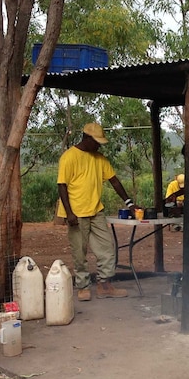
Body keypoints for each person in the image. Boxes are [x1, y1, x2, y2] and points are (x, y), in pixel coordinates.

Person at [56, 123, 132, 302]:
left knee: (106, 247)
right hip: (76, 212)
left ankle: (104, 284)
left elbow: (114, 181)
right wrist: (69, 213)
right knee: (79, 252)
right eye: (96, 142)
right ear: (86, 138)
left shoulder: (100, 158)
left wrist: (130, 203)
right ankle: (82, 286)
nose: (99, 145)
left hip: (96, 210)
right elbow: (62, 185)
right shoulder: (69, 157)